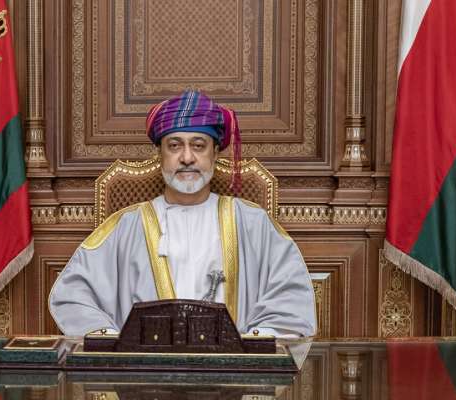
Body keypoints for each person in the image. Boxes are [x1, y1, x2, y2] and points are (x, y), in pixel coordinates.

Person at [49, 91, 316, 338]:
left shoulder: (253, 223)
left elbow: (290, 300)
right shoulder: (126, 226)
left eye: (198, 145)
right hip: (146, 368)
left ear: (214, 153)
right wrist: (115, 343)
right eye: (175, 146)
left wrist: (252, 345)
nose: (187, 158)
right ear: (160, 154)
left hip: (231, 368)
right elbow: (72, 296)